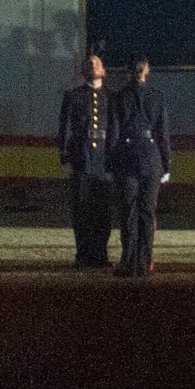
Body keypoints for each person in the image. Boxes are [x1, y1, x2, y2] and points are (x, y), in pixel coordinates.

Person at [108, 54, 172, 277]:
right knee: (147, 212)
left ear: (129, 71)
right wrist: (166, 165)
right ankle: (145, 262)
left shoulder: (118, 97)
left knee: (128, 212)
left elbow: (114, 134)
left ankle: (128, 262)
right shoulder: (158, 97)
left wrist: (110, 163)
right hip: (152, 159)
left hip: (127, 159)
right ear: (147, 70)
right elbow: (162, 134)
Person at [56, 54, 115, 269]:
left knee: (102, 213)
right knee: (81, 211)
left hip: (103, 161)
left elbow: (116, 130)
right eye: (89, 64)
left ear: (103, 70)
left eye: (97, 63)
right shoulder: (73, 96)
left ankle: (100, 255)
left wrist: (114, 162)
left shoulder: (110, 96)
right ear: (84, 70)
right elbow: (66, 128)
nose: (93, 66)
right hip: (81, 159)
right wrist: (65, 158)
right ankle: (83, 255)